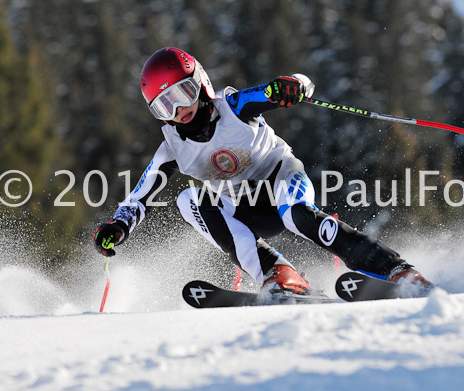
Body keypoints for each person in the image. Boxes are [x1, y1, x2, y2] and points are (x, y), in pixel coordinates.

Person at [93, 47, 433, 296]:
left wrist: (293, 86)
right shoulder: (172, 148)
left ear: (200, 82)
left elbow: (291, 85)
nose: (180, 109)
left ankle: (392, 269)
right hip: (247, 206)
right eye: (165, 105)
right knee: (189, 201)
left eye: (183, 93)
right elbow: (139, 197)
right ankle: (279, 274)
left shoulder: (235, 107)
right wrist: (118, 226)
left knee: (297, 216)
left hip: (282, 178)